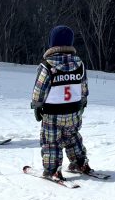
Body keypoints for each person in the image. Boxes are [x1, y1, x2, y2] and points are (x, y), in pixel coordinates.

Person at [31, 25, 92, 182]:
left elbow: (39, 88)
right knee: (72, 137)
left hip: (52, 113)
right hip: (73, 112)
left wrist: (37, 105)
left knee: (51, 141)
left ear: (52, 43)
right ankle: (80, 162)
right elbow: (84, 87)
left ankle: (53, 170)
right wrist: (83, 102)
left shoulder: (47, 65)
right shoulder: (79, 65)